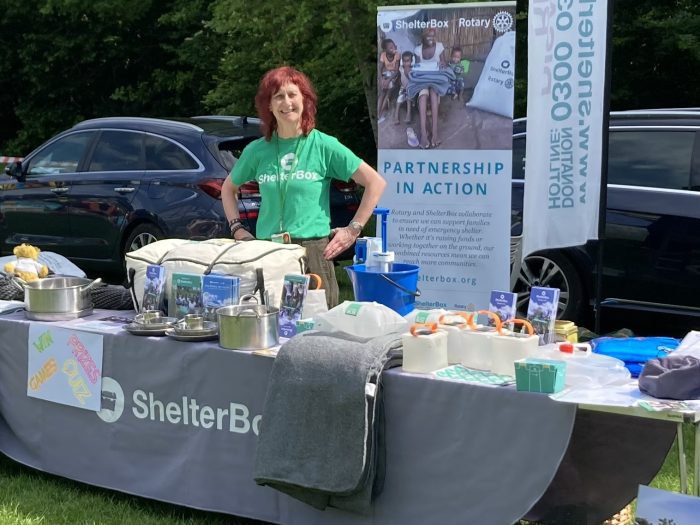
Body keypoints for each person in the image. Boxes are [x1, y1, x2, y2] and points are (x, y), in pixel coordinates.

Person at [221, 66, 387, 308]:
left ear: (304, 100)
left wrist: (352, 230)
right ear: (268, 105)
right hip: (268, 252)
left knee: (314, 332)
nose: (286, 102)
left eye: (292, 94)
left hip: (313, 254)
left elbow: (375, 182)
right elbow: (228, 189)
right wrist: (237, 228)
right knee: (271, 329)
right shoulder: (257, 150)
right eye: (278, 96)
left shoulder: (324, 145)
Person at [411, 28, 448, 149]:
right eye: (428, 37)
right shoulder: (418, 50)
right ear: (423, 38)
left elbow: (444, 63)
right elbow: (416, 67)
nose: (431, 39)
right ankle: (423, 135)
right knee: (422, 97)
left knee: (433, 94)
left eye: (433, 36)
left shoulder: (439, 47)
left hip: (435, 79)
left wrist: (443, 64)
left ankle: (435, 134)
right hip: (422, 80)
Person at [377, 39, 400, 122]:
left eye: (394, 46)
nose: (393, 48)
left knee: (388, 93)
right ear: (385, 50)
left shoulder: (397, 55)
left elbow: (397, 71)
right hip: (386, 75)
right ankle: (377, 114)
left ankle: (381, 113)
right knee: (382, 93)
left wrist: (388, 80)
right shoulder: (383, 55)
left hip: (393, 75)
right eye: (390, 47)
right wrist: (381, 79)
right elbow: (380, 68)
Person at [394, 51, 414, 125]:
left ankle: (408, 115)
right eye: (404, 61)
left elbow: (413, 79)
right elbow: (399, 77)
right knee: (399, 100)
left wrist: (407, 72)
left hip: (410, 87)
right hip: (403, 87)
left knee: (409, 99)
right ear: (402, 61)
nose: (406, 63)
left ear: (411, 61)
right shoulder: (400, 68)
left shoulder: (413, 69)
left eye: (408, 61)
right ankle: (396, 116)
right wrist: (399, 83)